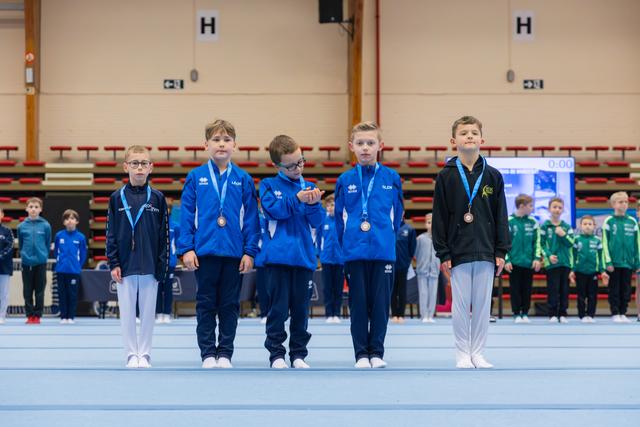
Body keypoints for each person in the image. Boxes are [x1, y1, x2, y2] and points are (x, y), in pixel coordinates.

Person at [179, 119, 260, 368]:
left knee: (229, 304)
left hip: (234, 252)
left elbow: (251, 218)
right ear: (206, 145)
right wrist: (187, 248)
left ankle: (225, 352)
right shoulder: (195, 177)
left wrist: (249, 251)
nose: (221, 144)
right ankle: (207, 353)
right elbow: (186, 214)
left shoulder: (244, 179)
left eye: (226, 140)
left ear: (235, 145)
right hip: (204, 251)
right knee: (205, 304)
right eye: (216, 139)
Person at [432, 115, 510, 369]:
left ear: (482, 139)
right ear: (454, 141)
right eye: (464, 133)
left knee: (483, 305)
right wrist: (443, 252)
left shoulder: (493, 176)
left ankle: (478, 352)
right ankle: (462, 353)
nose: (469, 137)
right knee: (461, 305)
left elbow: (501, 216)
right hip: (458, 251)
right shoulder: (446, 176)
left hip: (487, 250)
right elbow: (440, 217)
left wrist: (501, 250)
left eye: (473, 133)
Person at [335, 121, 403, 369]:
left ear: (380, 146)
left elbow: (397, 216)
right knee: (359, 304)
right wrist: (350, 243)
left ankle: (377, 352)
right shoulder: (344, 180)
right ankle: (361, 354)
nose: (365, 148)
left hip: (383, 251)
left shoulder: (391, 178)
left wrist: (385, 238)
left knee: (381, 306)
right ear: (351, 146)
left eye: (370, 143)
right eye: (360, 143)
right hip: (355, 252)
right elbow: (339, 218)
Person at [259, 134, 324, 369]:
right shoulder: (268, 185)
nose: (298, 168)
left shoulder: (309, 187)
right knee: (277, 310)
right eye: (292, 165)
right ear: (277, 166)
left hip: (304, 258)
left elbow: (317, 222)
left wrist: (314, 204)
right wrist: (297, 200)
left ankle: (298, 354)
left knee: (300, 311)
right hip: (277, 259)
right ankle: (276, 354)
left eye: (301, 161)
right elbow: (274, 211)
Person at [107, 145, 169, 368]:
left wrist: (162, 265)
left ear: (151, 167)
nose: (139, 167)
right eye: (134, 163)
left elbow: (165, 235)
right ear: (126, 167)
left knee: (148, 314)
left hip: (151, 265)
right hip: (124, 265)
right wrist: (113, 262)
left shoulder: (158, 198)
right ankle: (131, 353)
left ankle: (145, 353)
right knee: (127, 314)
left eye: (144, 163)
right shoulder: (116, 198)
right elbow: (111, 233)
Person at [602, 191, 639, 323]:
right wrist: (608, 261)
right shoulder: (609, 221)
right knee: (614, 289)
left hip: (628, 263)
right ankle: (615, 312)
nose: (624, 204)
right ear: (613, 204)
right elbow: (605, 243)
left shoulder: (633, 221)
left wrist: (637, 262)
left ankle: (623, 312)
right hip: (614, 263)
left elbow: (637, 243)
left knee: (626, 289)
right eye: (620, 202)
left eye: (626, 202)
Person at [504, 194, 542, 323]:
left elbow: (537, 242)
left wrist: (537, 258)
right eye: (530, 205)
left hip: (528, 263)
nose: (532, 208)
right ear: (521, 206)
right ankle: (516, 313)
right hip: (514, 262)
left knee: (527, 289)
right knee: (515, 289)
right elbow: (504, 242)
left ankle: (525, 313)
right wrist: (507, 260)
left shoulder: (533, 222)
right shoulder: (508, 221)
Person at [540, 197, 574, 324]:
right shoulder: (545, 226)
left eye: (560, 207)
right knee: (553, 289)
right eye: (554, 207)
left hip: (565, 263)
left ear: (563, 210)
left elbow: (571, 243)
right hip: (551, 264)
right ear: (549, 209)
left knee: (564, 290)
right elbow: (541, 244)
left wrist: (563, 235)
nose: (557, 210)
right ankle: (552, 314)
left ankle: (563, 313)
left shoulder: (566, 227)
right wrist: (549, 255)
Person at [18, 197, 51, 325]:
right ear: (26, 208)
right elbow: (20, 244)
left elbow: (47, 243)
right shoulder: (21, 226)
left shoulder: (46, 225)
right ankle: (29, 315)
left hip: (40, 262)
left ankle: (37, 315)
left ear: (40, 209)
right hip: (26, 263)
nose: (33, 209)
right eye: (31, 207)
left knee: (39, 290)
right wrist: (24, 255)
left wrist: (43, 255)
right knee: (27, 290)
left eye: (36, 207)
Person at [570, 215, 608, 323]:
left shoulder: (597, 240)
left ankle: (591, 315)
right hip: (580, 272)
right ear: (580, 226)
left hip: (593, 273)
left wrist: (602, 271)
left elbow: (601, 258)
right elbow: (573, 256)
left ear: (594, 226)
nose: (587, 226)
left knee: (592, 295)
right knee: (581, 295)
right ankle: (582, 315)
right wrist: (572, 270)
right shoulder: (576, 240)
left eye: (590, 224)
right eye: (585, 224)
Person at [53, 209, 87, 324]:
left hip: (74, 271)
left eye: (72, 218)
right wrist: (60, 263)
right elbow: (55, 252)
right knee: (62, 294)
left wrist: (77, 266)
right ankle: (63, 317)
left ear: (77, 221)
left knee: (72, 294)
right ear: (64, 222)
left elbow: (83, 255)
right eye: (67, 219)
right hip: (61, 270)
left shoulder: (81, 237)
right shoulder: (59, 235)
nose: (69, 221)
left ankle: (71, 317)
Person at [317, 194, 344, 323]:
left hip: (340, 259)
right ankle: (329, 314)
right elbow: (318, 239)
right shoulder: (323, 221)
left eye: (332, 205)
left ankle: (337, 313)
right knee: (327, 288)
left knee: (338, 288)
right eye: (327, 205)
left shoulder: (341, 221)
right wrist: (320, 255)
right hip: (327, 258)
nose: (330, 208)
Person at [415, 213, 440, 323]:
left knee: (433, 293)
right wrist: (421, 263)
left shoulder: (439, 239)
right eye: (428, 222)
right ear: (425, 224)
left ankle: (430, 315)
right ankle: (424, 315)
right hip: (422, 270)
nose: (430, 225)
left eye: (432, 222)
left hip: (434, 270)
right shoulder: (420, 238)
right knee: (423, 293)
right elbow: (415, 253)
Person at [391, 214, 417, 323]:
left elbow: (412, 248)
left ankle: (401, 315)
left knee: (402, 291)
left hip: (403, 265)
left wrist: (407, 261)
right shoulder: (389, 228)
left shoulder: (409, 229)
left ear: (403, 213)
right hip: (390, 265)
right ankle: (394, 315)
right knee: (392, 291)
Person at [156, 217, 179, 324]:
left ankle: (166, 313)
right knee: (158, 289)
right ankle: (159, 313)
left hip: (170, 262)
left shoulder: (175, 226)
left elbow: (178, 243)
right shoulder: (156, 224)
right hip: (158, 262)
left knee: (168, 289)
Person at [0, 207, 14, 324]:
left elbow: (10, 246)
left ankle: (1, 315)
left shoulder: (7, 231)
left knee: (3, 292)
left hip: (4, 267)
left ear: (2, 215)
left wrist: (1, 255)